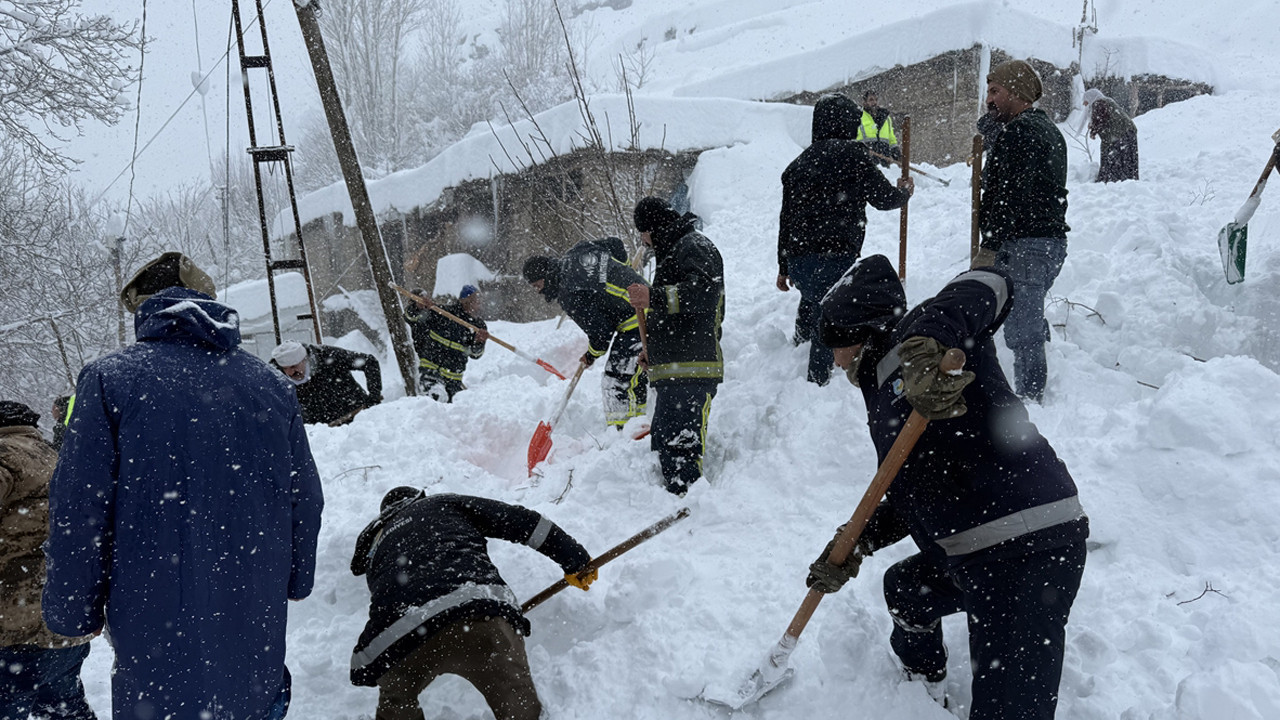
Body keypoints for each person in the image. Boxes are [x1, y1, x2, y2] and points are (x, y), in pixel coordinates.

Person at [43, 251, 325, 720]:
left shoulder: (110, 380)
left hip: (152, 608)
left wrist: (74, 609)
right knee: (253, 698)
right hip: (253, 603)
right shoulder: (269, 384)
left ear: (143, 308)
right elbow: (305, 498)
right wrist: (297, 576)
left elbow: (79, 508)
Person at [810, 254, 1088, 719]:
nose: (834, 359)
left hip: (1023, 546)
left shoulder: (922, 331)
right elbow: (912, 492)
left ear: (858, 333)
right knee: (904, 589)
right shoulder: (882, 392)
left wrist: (930, 340)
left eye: (834, 345)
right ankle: (923, 687)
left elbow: (992, 280)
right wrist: (855, 543)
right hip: (972, 552)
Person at [349, 488, 596, 720]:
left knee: (397, 702)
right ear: (418, 497)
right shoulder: (441, 503)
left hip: (398, 638)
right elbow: (518, 520)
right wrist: (574, 558)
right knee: (520, 707)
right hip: (476, 613)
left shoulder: (375, 547)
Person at [778, 93, 914, 385]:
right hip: (835, 254)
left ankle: (798, 344)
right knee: (829, 316)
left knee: (813, 294)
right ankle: (817, 382)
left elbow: (785, 220)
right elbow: (882, 198)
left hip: (799, 258)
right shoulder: (853, 156)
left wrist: (783, 267)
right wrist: (903, 192)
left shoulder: (796, 165)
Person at [976, 59, 1070, 402]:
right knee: (1026, 315)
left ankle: (1030, 401)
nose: (989, 99)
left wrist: (990, 245)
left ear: (1016, 93)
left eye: (995, 91)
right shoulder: (1041, 129)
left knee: (1023, 327)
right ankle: (1035, 385)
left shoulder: (1021, 133)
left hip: (1026, 245)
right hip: (1044, 242)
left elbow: (1007, 196)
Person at [2, 401, 96, 720]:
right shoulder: (58, 457)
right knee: (64, 707)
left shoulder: (5, 456)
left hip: (12, 624)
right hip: (63, 620)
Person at [627, 197, 724, 495]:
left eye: (643, 232)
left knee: (682, 450)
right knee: (668, 447)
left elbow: (705, 295)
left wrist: (652, 297)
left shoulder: (694, 246)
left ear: (654, 228)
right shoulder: (674, 252)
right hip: (673, 369)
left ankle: (692, 516)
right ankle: (676, 508)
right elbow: (674, 316)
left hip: (693, 368)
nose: (644, 240)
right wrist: (652, 350)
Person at [522, 238, 649, 428]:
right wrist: (623, 270)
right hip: (651, 299)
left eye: (536, 286)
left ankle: (620, 432)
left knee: (615, 381)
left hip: (637, 320)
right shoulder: (578, 251)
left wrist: (591, 355)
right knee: (633, 375)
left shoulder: (568, 293)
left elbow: (601, 333)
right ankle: (640, 425)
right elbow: (615, 244)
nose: (539, 291)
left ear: (543, 277)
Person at [403, 285, 490, 403]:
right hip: (431, 370)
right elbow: (411, 318)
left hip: (454, 378)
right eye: (476, 301)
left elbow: (475, 354)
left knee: (452, 413)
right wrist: (418, 307)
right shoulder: (444, 313)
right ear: (467, 301)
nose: (480, 304)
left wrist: (478, 342)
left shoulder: (478, 326)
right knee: (436, 400)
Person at [271, 339, 384, 423]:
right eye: (285, 368)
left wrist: (374, 396)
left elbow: (369, 362)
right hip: (319, 434)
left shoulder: (328, 356)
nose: (290, 373)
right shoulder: (274, 373)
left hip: (356, 417)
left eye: (294, 366)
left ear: (305, 359)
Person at [1082, 88, 1139, 183]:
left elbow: (1101, 119)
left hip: (1120, 133)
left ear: (1091, 98)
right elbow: (1103, 118)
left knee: (1112, 155)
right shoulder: (1106, 101)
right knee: (1127, 158)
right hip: (1127, 132)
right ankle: (1127, 179)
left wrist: (1093, 131)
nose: (1085, 104)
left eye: (1086, 101)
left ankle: (1111, 179)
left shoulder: (1099, 103)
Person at [855, 89, 901, 167]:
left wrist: (896, 154)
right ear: (865, 102)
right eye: (871, 100)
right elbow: (852, 137)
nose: (874, 102)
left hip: (884, 159)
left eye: (876, 99)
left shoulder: (886, 118)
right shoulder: (858, 116)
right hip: (866, 160)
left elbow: (891, 138)